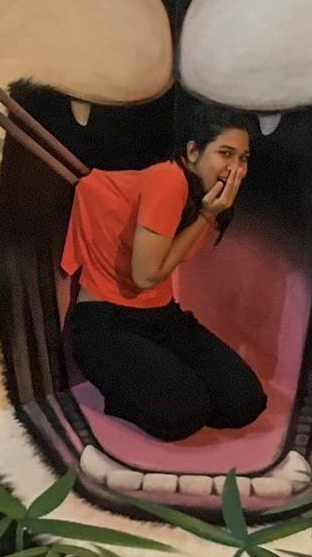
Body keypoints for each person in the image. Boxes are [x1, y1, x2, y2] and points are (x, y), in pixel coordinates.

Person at [60, 104, 267, 442]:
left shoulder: (199, 193)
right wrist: (206, 215)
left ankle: (171, 386)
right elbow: (145, 275)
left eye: (243, 158)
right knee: (185, 414)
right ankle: (131, 394)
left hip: (163, 318)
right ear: (193, 151)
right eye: (225, 153)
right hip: (106, 325)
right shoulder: (168, 179)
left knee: (245, 403)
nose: (235, 169)